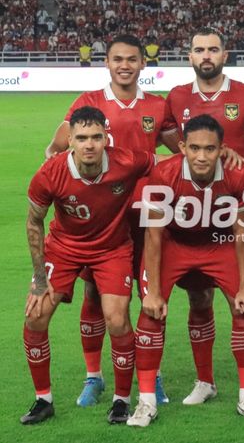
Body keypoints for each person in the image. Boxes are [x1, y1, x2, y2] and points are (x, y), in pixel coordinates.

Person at [45, 34, 179, 408]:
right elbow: (56, 149)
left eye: (131, 59)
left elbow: (180, 150)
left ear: (143, 64)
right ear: (106, 63)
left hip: (147, 217)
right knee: (94, 294)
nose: (124, 65)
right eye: (117, 59)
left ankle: (153, 375)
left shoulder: (156, 104)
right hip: (103, 220)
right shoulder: (88, 103)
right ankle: (94, 377)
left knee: (150, 292)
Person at [127, 114, 244, 426]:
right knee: (151, 310)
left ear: (221, 149)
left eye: (209, 148)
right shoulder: (164, 172)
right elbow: (153, 233)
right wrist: (152, 291)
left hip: (219, 244)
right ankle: (146, 401)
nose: (202, 156)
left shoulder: (238, 172)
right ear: (181, 147)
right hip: (174, 242)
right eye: (194, 148)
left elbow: (242, 231)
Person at [22, 106, 158, 425]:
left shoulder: (126, 160)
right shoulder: (50, 173)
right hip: (64, 248)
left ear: (105, 138)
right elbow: (33, 223)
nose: (89, 145)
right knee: (36, 315)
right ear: (69, 140)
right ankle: (43, 399)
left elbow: (164, 162)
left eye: (96, 137)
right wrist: (40, 280)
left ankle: (121, 400)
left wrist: (216, 157)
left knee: (117, 320)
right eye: (81, 138)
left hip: (112, 249)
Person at [162, 27, 244, 405]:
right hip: (190, 216)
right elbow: (173, 142)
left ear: (225, 54)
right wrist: (203, 158)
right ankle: (205, 381)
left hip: (235, 210)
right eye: (199, 49)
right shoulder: (177, 96)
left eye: (213, 49)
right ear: (189, 56)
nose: (206, 55)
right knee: (199, 299)